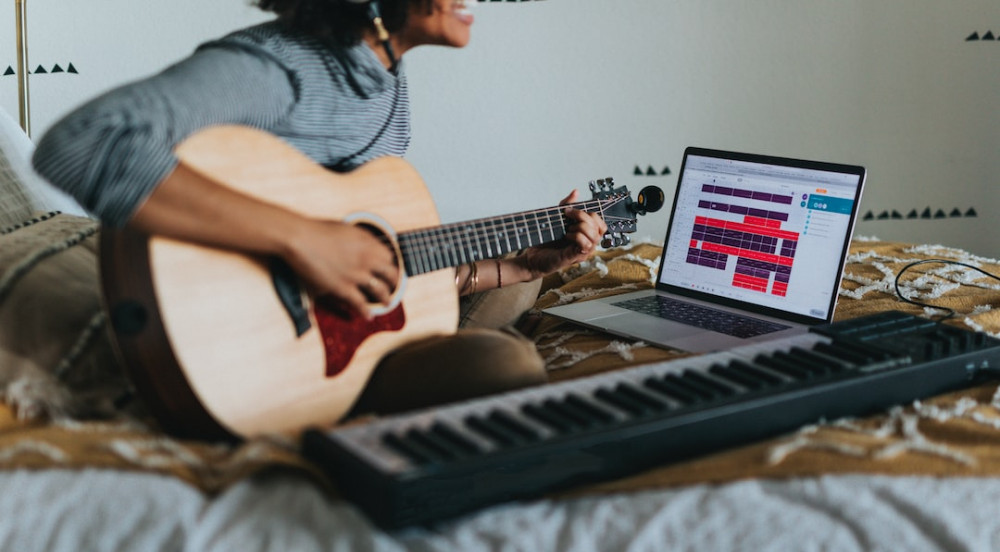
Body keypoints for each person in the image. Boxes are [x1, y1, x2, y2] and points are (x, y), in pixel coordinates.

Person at [32, 0, 608, 416]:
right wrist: (303, 240)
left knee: (519, 287)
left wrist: (522, 266)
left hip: (339, 319)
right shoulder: (280, 68)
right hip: (245, 334)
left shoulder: (387, 81)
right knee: (507, 368)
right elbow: (84, 142)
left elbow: (376, 258)